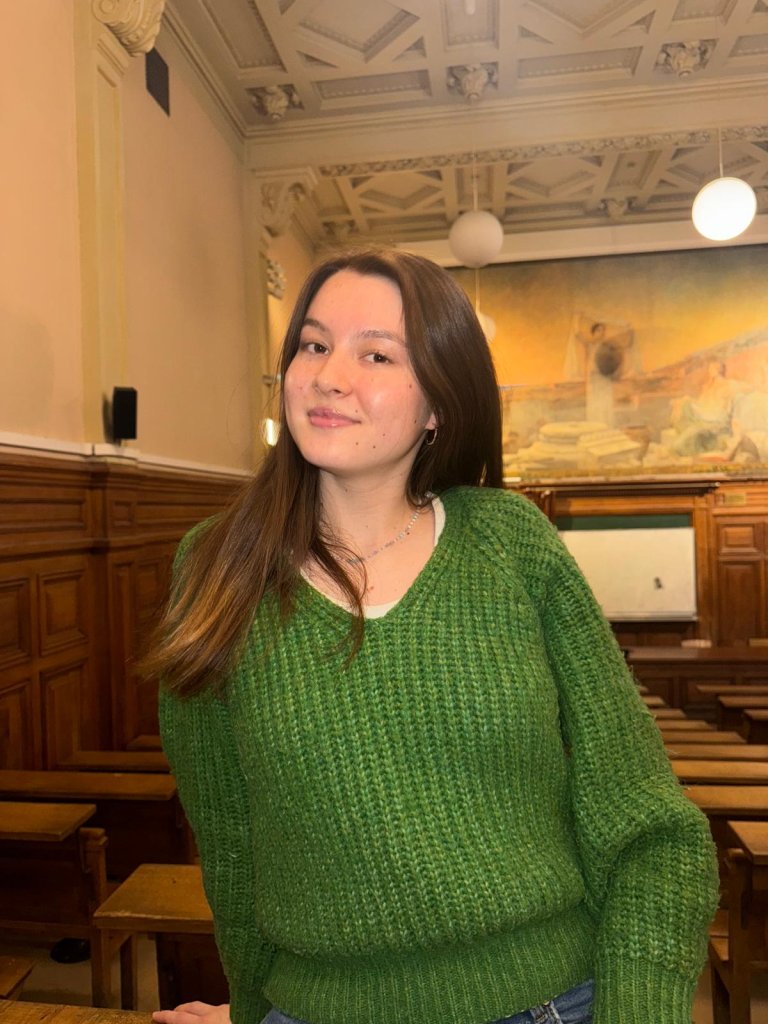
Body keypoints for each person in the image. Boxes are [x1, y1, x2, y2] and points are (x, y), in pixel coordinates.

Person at [148, 249, 718, 1024]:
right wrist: (250, 1014)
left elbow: (651, 829)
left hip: (549, 1004)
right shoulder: (216, 568)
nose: (328, 376)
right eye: (314, 345)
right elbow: (231, 847)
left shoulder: (510, 544)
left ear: (438, 406)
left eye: (376, 355)